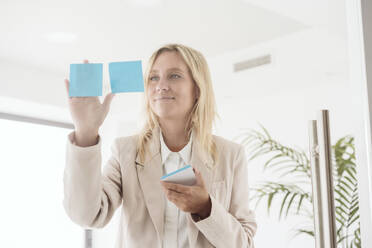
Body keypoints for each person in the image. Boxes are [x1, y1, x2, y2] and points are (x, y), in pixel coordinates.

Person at [63, 44, 257, 248]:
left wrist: (206, 207)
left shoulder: (231, 155)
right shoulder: (125, 151)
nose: (161, 85)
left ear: (197, 88)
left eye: (174, 76)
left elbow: (244, 244)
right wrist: (85, 132)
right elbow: (87, 216)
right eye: (154, 77)